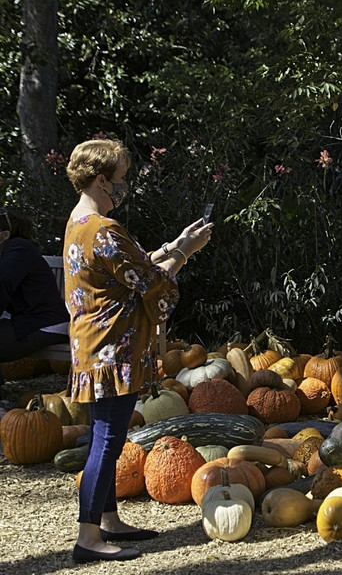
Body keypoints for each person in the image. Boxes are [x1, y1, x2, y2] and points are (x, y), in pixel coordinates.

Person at [64, 138, 212, 564]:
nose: (121, 190)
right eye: (119, 182)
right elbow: (154, 286)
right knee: (108, 442)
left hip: (91, 350)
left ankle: (107, 518)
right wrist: (185, 253)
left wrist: (171, 246)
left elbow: (130, 268)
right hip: (113, 350)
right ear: (98, 180)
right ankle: (88, 537)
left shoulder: (79, 223)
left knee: (102, 436)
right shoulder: (105, 231)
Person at [0, 208, 70, 383]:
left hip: (45, 323)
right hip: (23, 320)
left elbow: (2, 286)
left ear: (4, 235)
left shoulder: (19, 250)